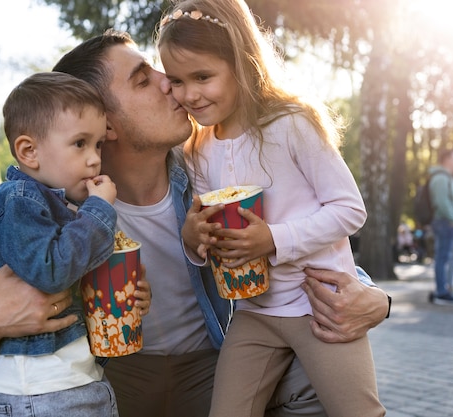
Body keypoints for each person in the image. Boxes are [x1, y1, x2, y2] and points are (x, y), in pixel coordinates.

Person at [0, 30, 391, 417]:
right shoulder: (54, 206)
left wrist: (373, 296)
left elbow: (296, 230)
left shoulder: (210, 170)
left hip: (209, 366)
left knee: (313, 371)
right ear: (105, 123)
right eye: (144, 79)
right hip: (111, 375)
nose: (170, 83)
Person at [156, 1, 385, 416]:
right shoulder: (196, 148)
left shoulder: (292, 123)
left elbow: (350, 209)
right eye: (176, 81)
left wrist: (273, 239)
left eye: (203, 77)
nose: (189, 94)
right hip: (253, 314)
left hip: (320, 307)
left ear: (240, 62)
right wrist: (194, 240)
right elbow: (213, 237)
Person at [0, 71, 121, 415]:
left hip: (76, 379)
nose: (95, 157)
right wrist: (98, 211)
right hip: (38, 390)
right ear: (29, 151)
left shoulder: (64, 207)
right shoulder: (18, 202)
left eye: (98, 144)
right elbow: (50, 270)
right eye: (80, 143)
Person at [429, 148, 453, 304]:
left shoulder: (445, 177)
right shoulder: (441, 178)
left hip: (446, 222)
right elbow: (442, 202)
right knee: (443, 258)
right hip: (445, 222)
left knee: (445, 257)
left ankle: (443, 290)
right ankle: (441, 292)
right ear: (447, 160)